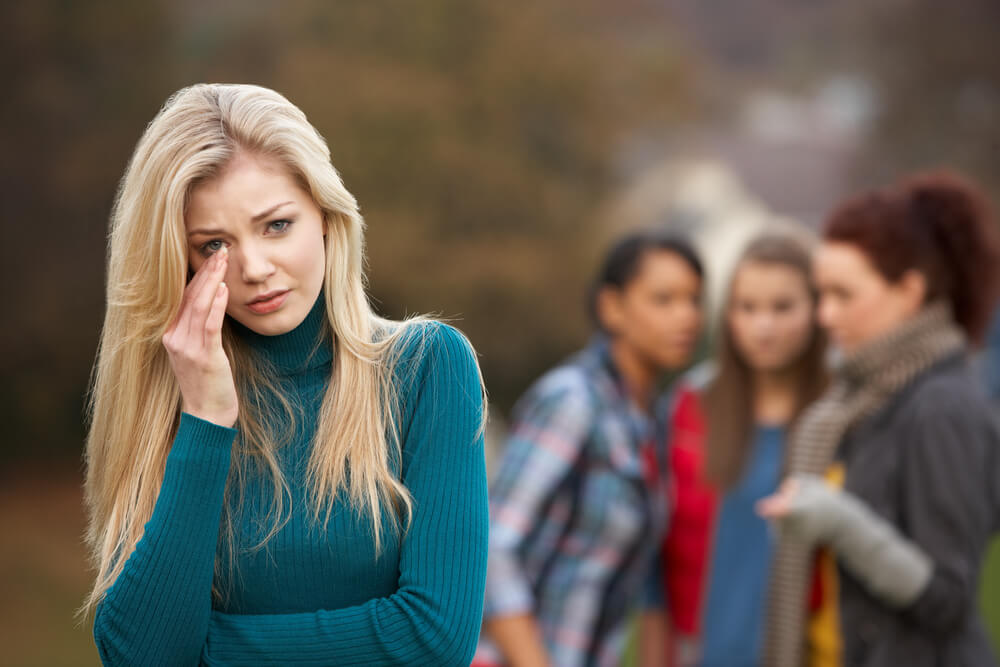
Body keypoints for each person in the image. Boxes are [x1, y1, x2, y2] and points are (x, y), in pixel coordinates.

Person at [81, 83, 488, 666]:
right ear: (182, 258)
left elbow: (434, 637)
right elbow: (140, 653)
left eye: (275, 225)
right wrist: (206, 420)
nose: (254, 268)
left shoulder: (427, 367)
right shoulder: (170, 394)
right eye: (214, 244)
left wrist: (205, 655)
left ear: (324, 214)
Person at [758, 169, 1000, 666]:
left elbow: (948, 599)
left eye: (843, 295)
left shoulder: (942, 406)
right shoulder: (854, 402)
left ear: (909, 291)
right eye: (821, 294)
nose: (824, 315)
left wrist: (839, 523)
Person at [475, 231, 704, 667]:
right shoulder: (573, 400)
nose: (687, 316)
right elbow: (494, 547)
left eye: (694, 299)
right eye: (664, 299)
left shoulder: (652, 420)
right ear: (611, 307)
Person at [639, 232, 828, 667]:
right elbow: (656, 566)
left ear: (816, 309)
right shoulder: (689, 407)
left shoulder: (840, 413)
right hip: (699, 652)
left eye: (783, 307)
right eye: (748, 307)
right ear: (728, 316)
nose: (764, 326)